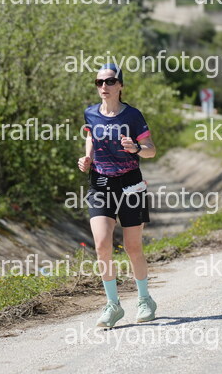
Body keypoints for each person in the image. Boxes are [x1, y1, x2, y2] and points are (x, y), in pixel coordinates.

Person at [77, 63, 157, 328]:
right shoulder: (90, 113)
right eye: (99, 82)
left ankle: (145, 300)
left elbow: (151, 149)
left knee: (133, 247)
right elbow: (91, 136)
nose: (104, 86)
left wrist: (136, 148)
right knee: (102, 245)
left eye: (110, 81)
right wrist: (87, 157)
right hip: (100, 183)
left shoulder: (133, 116)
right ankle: (113, 305)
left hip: (130, 185)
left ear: (120, 85)